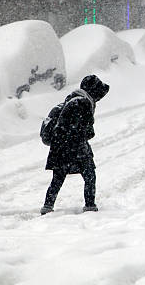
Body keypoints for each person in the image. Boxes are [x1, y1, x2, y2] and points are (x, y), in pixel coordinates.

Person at [41, 74, 110, 215]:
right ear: (93, 91)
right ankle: (90, 205)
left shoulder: (71, 99)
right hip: (76, 147)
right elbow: (89, 132)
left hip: (60, 148)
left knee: (58, 178)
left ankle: (47, 206)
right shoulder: (83, 103)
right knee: (90, 174)